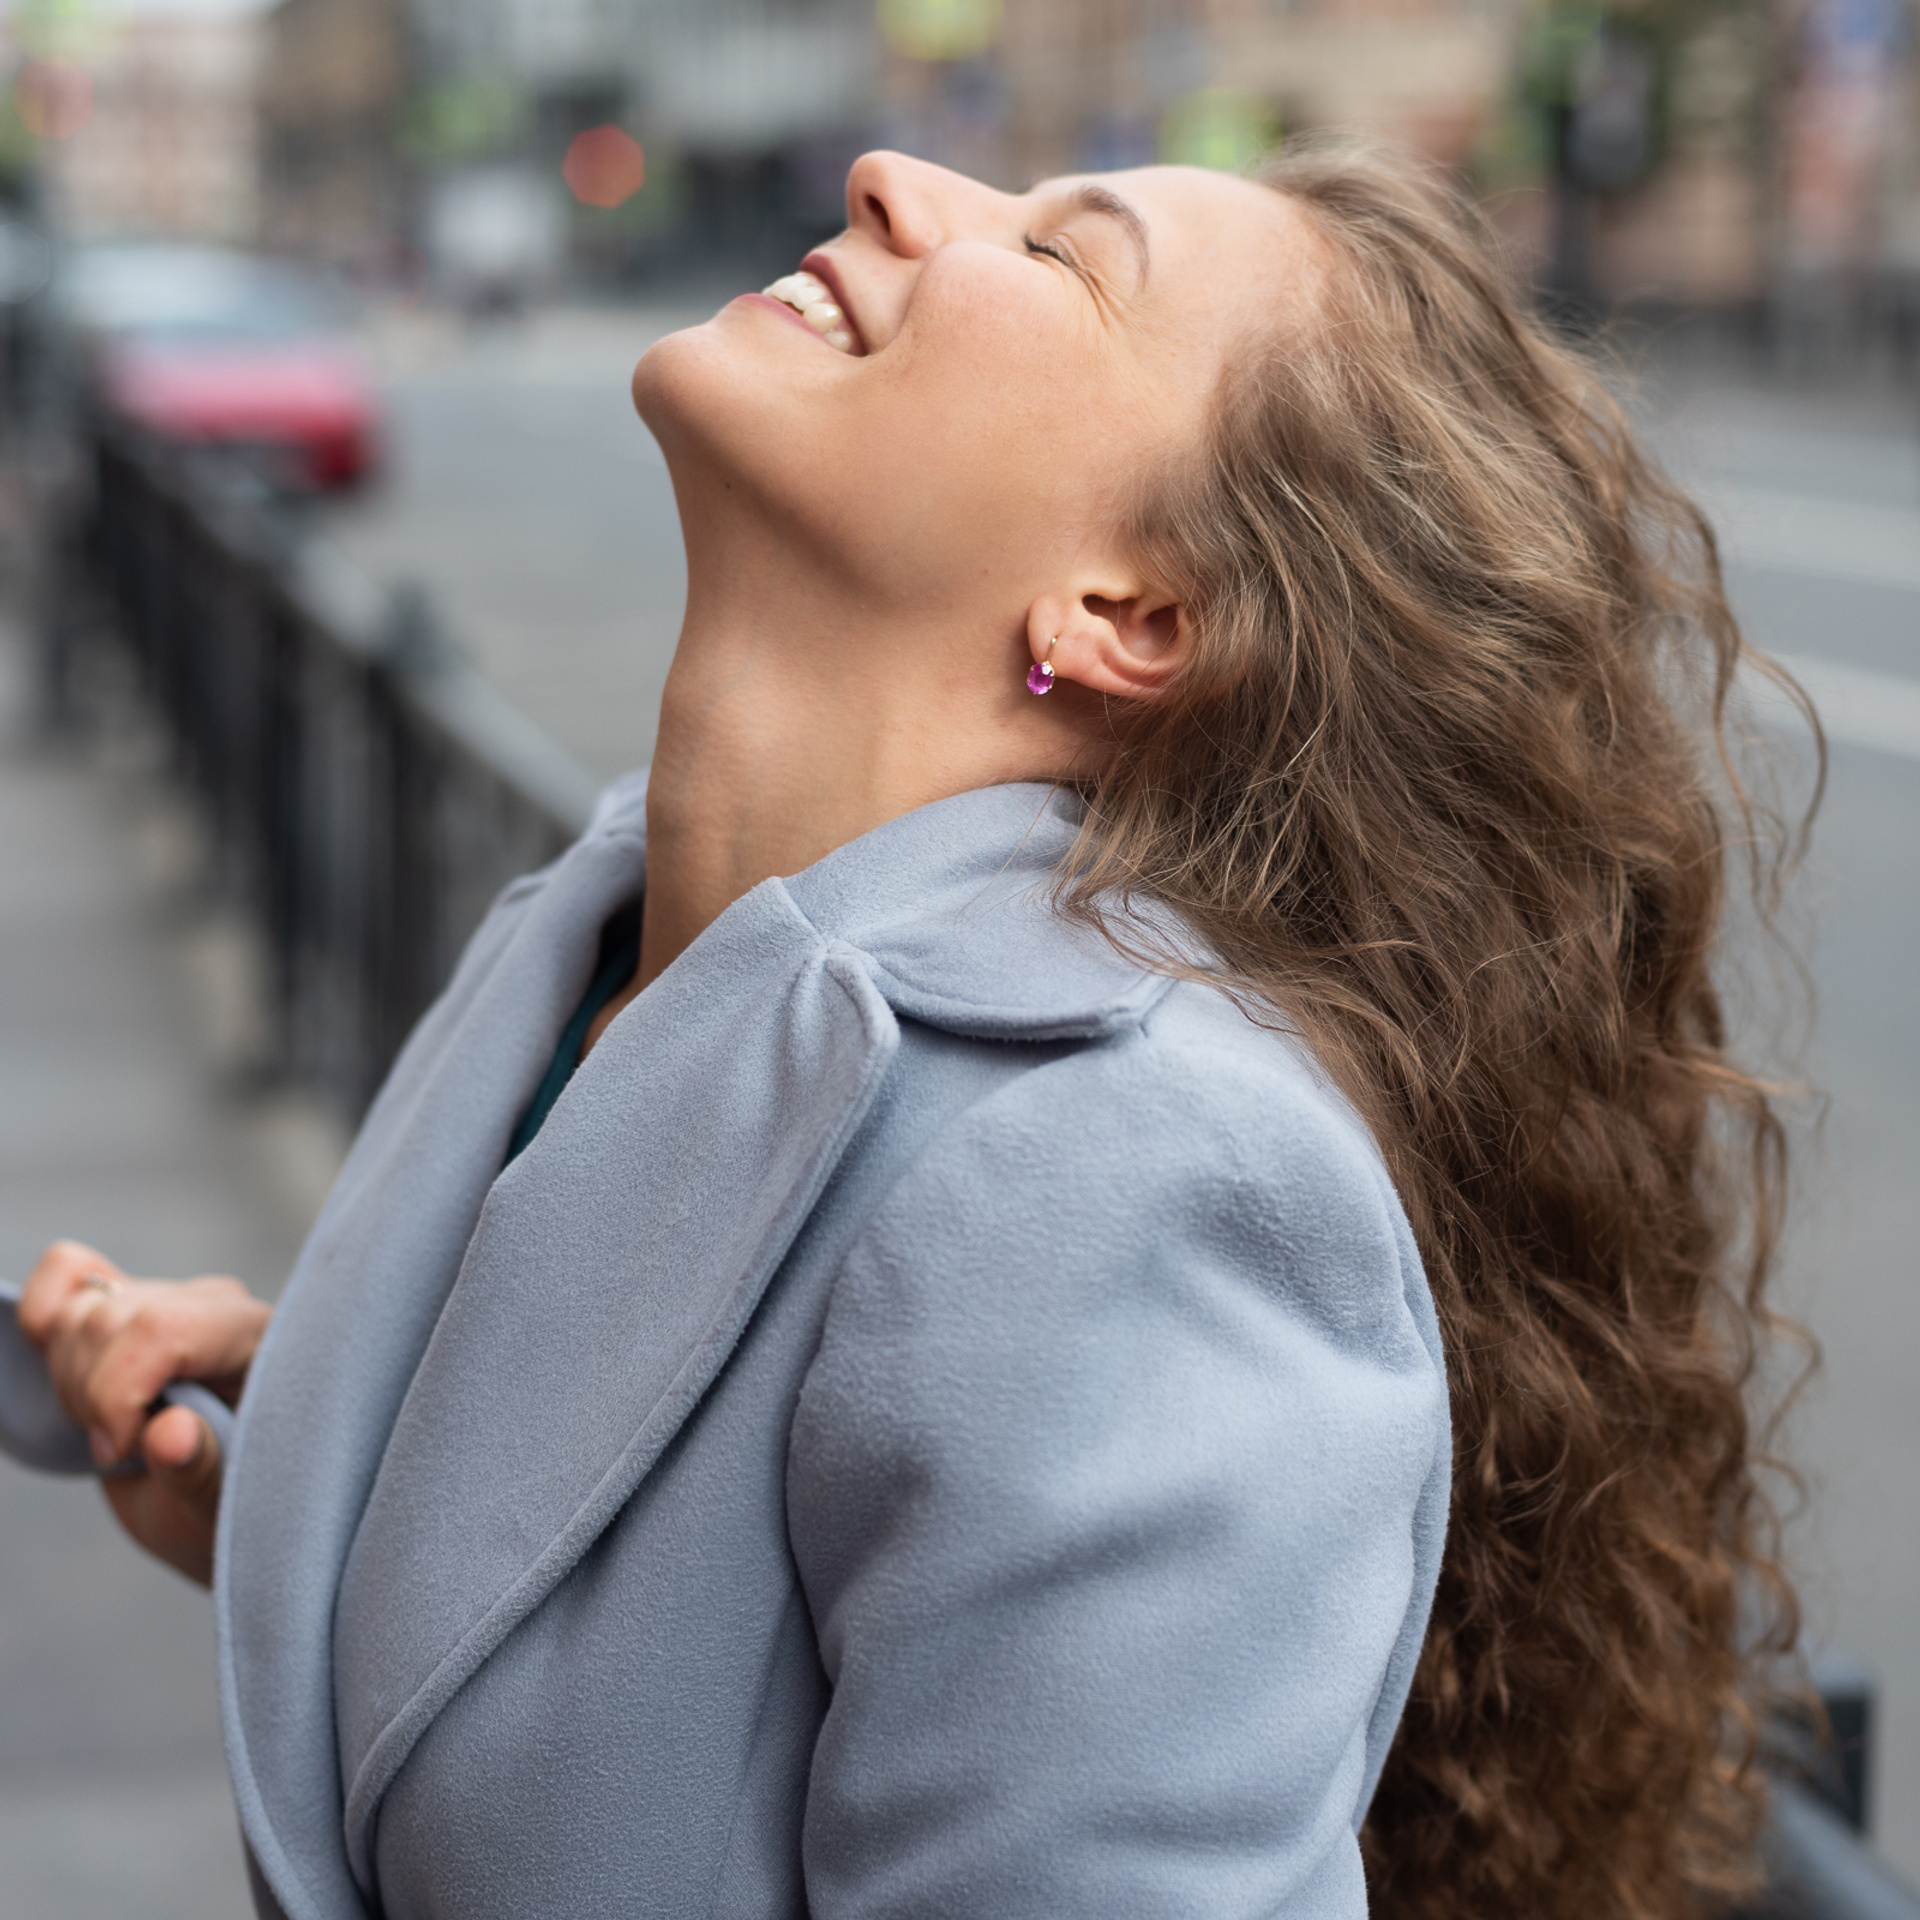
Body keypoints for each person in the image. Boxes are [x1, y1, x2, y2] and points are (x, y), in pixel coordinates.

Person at [15, 141, 1807, 1920]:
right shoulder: (601, 935)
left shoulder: (1134, 1182)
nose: (891, 177)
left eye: (1064, 254)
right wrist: (338, 1464)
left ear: (1129, 614)